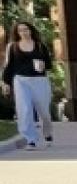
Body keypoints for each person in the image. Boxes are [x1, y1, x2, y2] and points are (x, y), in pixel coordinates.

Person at [2, 21, 55, 149]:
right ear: (17, 33)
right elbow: (9, 67)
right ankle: (30, 139)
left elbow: (49, 65)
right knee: (24, 110)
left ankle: (47, 133)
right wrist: (5, 82)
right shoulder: (12, 47)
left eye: (25, 29)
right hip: (21, 81)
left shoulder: (40, 46)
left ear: (30, 30)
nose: (23, 33)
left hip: (39, 81)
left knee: (44, 113)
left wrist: (42, 66)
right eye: (20, 30)